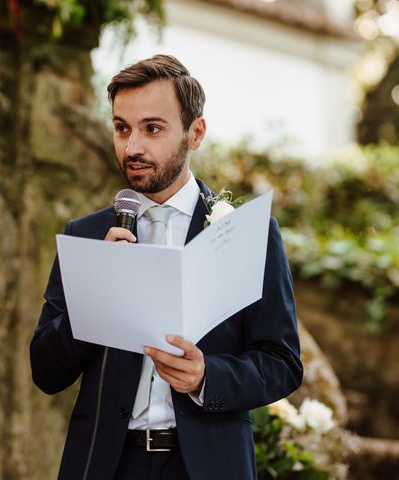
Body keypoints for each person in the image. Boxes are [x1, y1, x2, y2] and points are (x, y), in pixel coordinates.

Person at [30, 54, 303, 480]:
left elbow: (282, 363)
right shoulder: (86, 235)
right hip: (107, 465)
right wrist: (97, 289)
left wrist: (206, 376)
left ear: (195, 133)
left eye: (152, 128)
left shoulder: (246, 233)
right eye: (122, 128)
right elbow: (45, 371)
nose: (132, 147)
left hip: (207, 466)